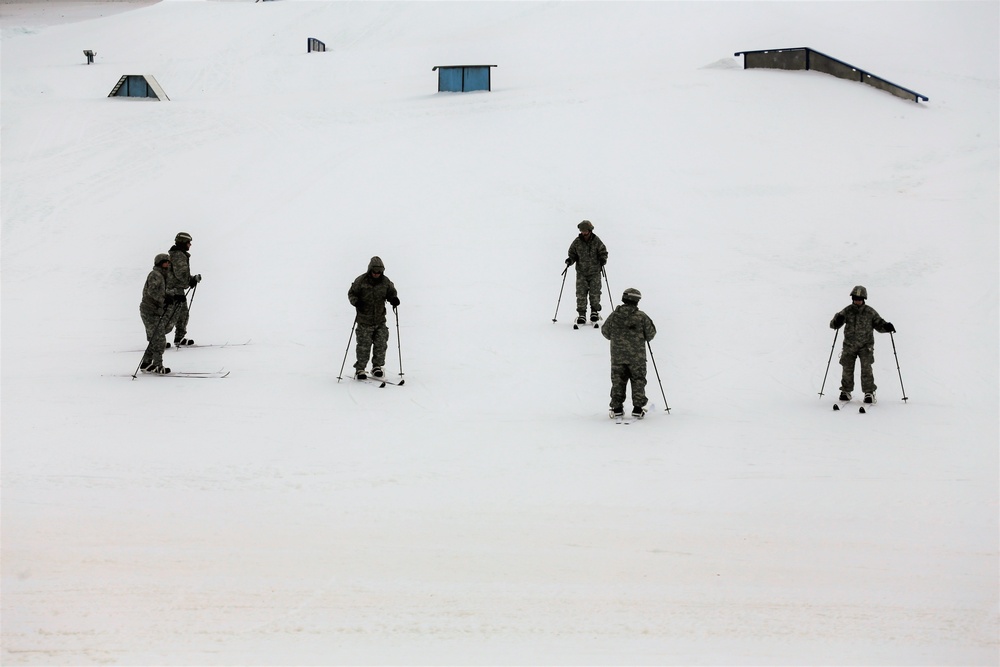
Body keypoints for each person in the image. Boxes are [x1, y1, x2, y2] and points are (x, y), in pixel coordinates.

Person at [829, 285, 895, 404]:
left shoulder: (870, 312)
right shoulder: (847, 311)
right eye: (855, 298)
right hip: (849, 345)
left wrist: (887, 327)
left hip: (866, 346)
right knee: (847, 369)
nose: (857, 301)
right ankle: (846, 391)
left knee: (866, 369)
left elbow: (879, 324)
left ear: (864, 299)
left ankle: (869, 392)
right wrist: (836, 321)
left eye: (859, 298)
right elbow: (834, 325)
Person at [601, 288, 657, 418]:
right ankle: (638, 409)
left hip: (617, 357)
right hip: (637, 358)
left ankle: (617, 408)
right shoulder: (641, 316)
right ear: (636, 301)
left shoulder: (614, 315)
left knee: (618, 381)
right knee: (638, 380)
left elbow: (605, 332)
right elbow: (651, 334)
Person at [347, 256, 400, 380]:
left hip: (380, 320)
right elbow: (351, 293)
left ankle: (377, 367)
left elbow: (391, 293)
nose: (376, 274)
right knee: (363, 346)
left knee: (381, 344)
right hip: (364, 320)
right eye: (374, 271)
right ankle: (360, 369)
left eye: (379, 272)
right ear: (370, 270)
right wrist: (356, 302)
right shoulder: (360, 281)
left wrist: (393, 299)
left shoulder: (386, 282)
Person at [565, 220, 608, 325]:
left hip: (595, 272)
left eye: (585, 231)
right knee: (581, 294)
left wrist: (603, 259)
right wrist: (570, 260)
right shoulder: (577, 242)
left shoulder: (596, 241)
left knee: (595, 293)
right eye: (582, 231)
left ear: (590, 230)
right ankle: (582, 314)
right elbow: (572, 254)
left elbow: (603, 251)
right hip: (581, 273)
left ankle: (594, 312)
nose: (584, 233)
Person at [139, 253, 174, 374]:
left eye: (169, 262)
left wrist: (171, 297)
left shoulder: (162, 275)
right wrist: (164, 298)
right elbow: (152, 292)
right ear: (160, 263)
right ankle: (158, 365)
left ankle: (146, 363)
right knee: (159, 340)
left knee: (155, 338)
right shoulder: (155, 275)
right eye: (166, 262)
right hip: (149, 311)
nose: (168, 264)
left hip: (155, 311)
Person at [166, 231, 202, 347]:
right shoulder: (178, 255)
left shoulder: (180, 254)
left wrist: (192, 279)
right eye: (188, 242)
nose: (190, 245)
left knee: (183, 314)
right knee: (172, 316)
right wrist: (189, 281)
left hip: (178, 289)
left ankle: (179, 338)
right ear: (183, 242)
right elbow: (180, 275)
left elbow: (182, 275)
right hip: (174, 291)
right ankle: (157, 339)